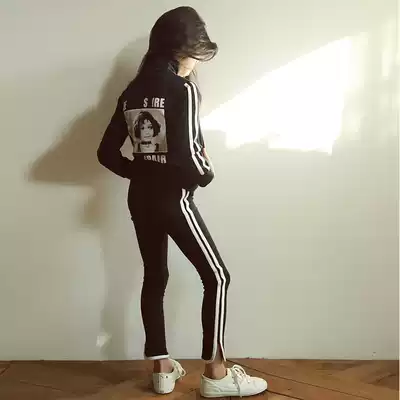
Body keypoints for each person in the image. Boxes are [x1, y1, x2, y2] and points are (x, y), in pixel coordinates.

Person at [97, 6, 268, 398]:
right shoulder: (183, 90)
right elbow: (191, 157)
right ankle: (217, 375)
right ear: (180, 49)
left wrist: (141, 172)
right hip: (173, 198)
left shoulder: (132, 92)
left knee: (155, 276)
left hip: (140, 198)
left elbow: (106, 153)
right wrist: (206, 173)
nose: (196, 61)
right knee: (217, 277)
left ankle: (161, 370)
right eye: (196, 52)